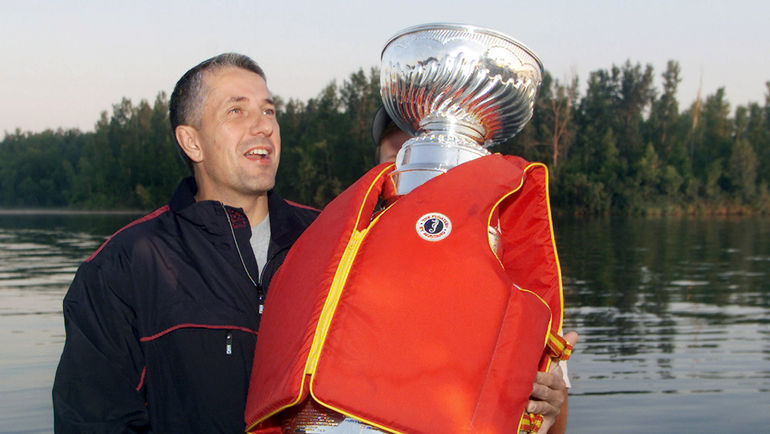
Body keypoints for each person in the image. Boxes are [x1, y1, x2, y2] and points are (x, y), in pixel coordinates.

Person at [52, 53, 318, 433]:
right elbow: (94, 421)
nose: (263, 127)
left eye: (269, 111)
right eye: (236, 112)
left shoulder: (331, 242)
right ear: (192, 142)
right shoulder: (123, 267)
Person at [371, 105, 577, 434]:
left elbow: (554, 427)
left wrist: (548, 404)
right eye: (406, 155)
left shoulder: (511, 279)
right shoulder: (345, 269)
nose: (422, 176)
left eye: (439, 156)